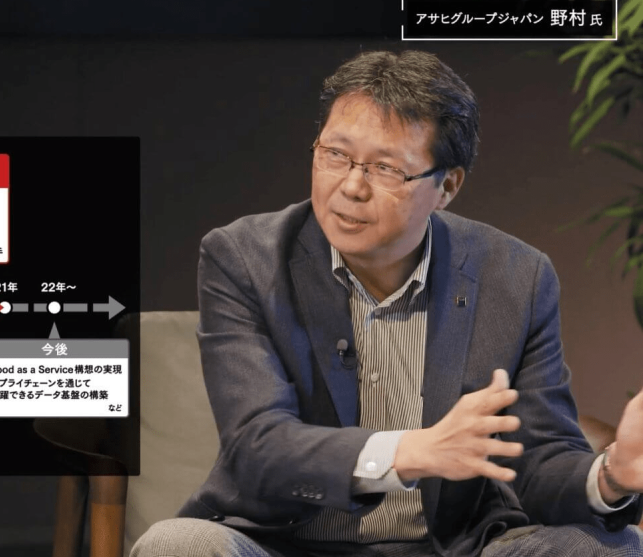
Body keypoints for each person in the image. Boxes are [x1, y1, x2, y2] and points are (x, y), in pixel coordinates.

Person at [130, 50, 643, 557]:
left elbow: (538, 460)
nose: (352, 186)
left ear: (447, 186)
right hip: (282, 544)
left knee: (612, 547)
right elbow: (257, 445)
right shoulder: (245, 258)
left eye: (386, 168)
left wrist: (610, 476)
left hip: (452, 548)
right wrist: (413, 451)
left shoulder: (515, 276)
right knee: (178, 545)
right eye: (335, 154)